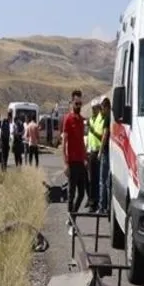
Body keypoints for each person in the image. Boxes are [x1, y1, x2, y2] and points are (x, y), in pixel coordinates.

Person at [62, 90, 88, 227]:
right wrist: (65, 163)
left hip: (81, 162)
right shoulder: (68, 119)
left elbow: (82, 142)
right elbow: (64, 143)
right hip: (71, 162)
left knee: (82, 193)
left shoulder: (81, 120)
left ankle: (72, 217)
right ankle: (71, 222)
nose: (79, 106)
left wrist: (85, 158)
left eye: (80, 103)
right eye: (76, 103)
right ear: (72, 103)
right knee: (71, 194)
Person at [85, 103, 103, 211]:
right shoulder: (91, 120)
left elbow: (101, 135)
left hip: (99, 151)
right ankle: (92, 202)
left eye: (95, 108)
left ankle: (97, 202)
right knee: (91, 179)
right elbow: (88, 135)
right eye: (92, 109)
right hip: (91, 151)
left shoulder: (101, 119)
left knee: (98, 179)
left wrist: (94, 131)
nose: (93, 110)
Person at [99, 97, 112, 213]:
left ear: (106, 107)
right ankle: (108, 207)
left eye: (102, 108)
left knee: (103, 181)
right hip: (112, 152)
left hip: (106, 151)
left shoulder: (107, 118)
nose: (101, 111)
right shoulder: (114, 117)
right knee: (108, 181)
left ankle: (102, 206)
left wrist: (100, 151)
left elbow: (105, 135)